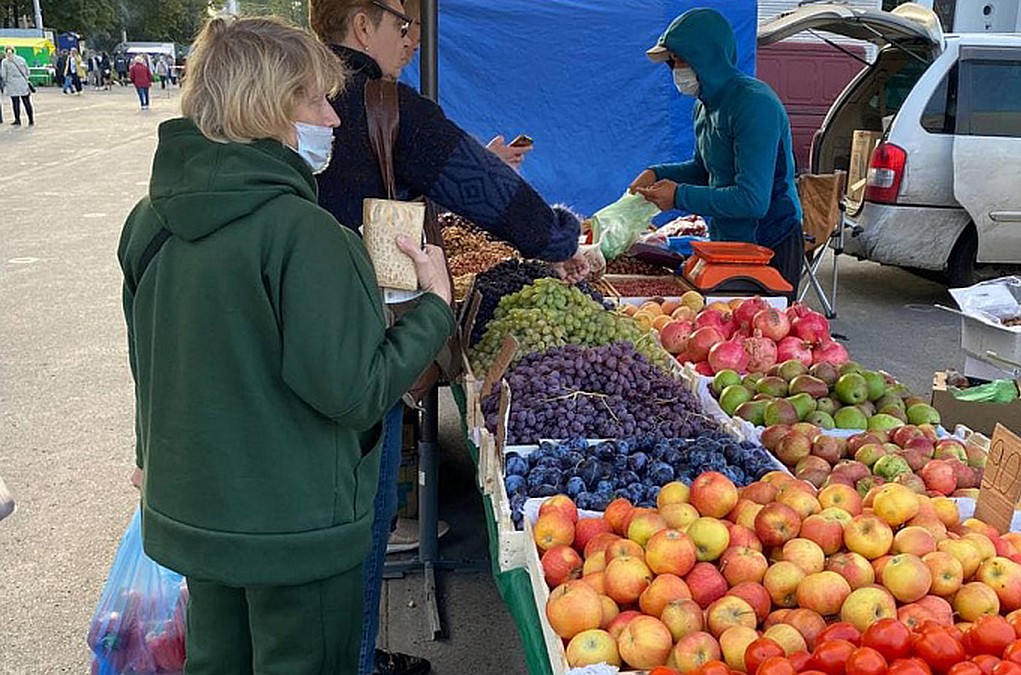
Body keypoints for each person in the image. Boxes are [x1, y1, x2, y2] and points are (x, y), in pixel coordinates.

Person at [118, 15, 456, 674]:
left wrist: (146, 457)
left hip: (193, 516)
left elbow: (148, 360)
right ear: (265, 106)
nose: (332, 119)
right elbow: (354, 390)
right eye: (314, 99)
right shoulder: (306, 235)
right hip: (297, 534)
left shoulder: (149, 221)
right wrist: (435, 309)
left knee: (215, 661)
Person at [307, 1, 588, 672]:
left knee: (304, 529)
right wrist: (564, 236)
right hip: (359, 346)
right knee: (362, 507)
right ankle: (353, 659)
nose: (411, 41)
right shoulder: (381, 100)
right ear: (361, 23)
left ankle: (344, 651)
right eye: (403, 25)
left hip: (276, 345)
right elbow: (495, 197)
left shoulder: (278, 97)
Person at [630, 8, 804, 287]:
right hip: (726, 240)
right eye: (672, 62)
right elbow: (704, 169)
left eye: (681, 60)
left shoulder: (754, 104)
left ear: (707, 57)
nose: (676, 70)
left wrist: (678, 196)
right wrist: (656, 173)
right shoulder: (704, 105)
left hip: (768, 241)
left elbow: (752, 200)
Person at [2, 48, 34, 126]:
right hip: (22, 82)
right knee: (26, 102)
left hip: (12, 83)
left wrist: (5, 82)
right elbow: (27, 70)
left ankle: (17, 119)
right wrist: (25, 78)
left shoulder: (5, 62)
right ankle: (31, 119)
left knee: (15, 102)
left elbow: (3, 74)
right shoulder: (21, 59)